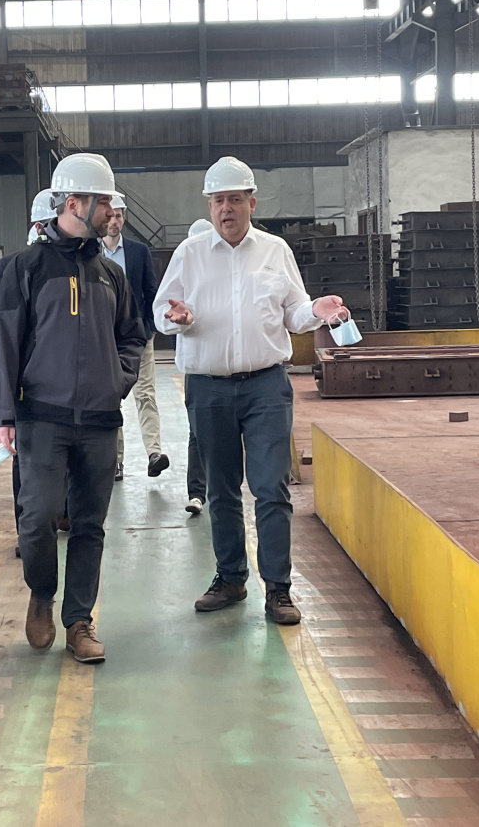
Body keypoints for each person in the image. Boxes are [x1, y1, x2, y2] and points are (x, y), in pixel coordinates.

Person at [153, 156, 347, 626]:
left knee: (270, 488)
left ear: (251, 203)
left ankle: (278, 589)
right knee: (221, 490)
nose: (227, 208)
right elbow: (161, 312)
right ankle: (230, 578)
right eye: (219, 200)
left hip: (266, 386)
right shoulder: (189, 254)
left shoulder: (275, 250)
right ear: (209, 205)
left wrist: (316, 310)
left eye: (235, 199)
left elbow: (294, 311)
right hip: (208, 389)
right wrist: (177, 319)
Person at [0, 153, 146, 663]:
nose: (111, 213)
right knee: (36, 519)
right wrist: (1, 417)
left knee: (89, 524)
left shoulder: (111, 275)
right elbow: (4, 345)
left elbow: (133, 336)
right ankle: (42, 591)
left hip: (99, 422)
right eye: (104, 203)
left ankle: (79, 621)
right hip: (42, 418)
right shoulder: (24, 268)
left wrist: (117, 380)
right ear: (75, 203)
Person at [0, 189, 70, 559]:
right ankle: (28, 531)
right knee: (27, 465)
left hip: (66, 387)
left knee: (66, 458)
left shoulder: (80, 262)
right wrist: (3, 409)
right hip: (30, 388)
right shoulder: (14, 267)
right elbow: (4, 336)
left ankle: (63, 514)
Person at [101, 195, 169, 481]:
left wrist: (150, 326)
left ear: (124, 218)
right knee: (110, 397)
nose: (114, 221)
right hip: (105, 338)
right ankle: (115, 461)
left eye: (119, 216)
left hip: (139, 337)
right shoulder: (92, 252)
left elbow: (151, 291)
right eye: (110, 216)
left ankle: (154, 453)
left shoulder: (138, 251)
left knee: (145, 394)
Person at [182, 218, 214, 516]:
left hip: (229, 372)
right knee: (197, 433)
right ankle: (196, 493)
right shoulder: (183, 276)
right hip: (198, 372)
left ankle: (215, 490)